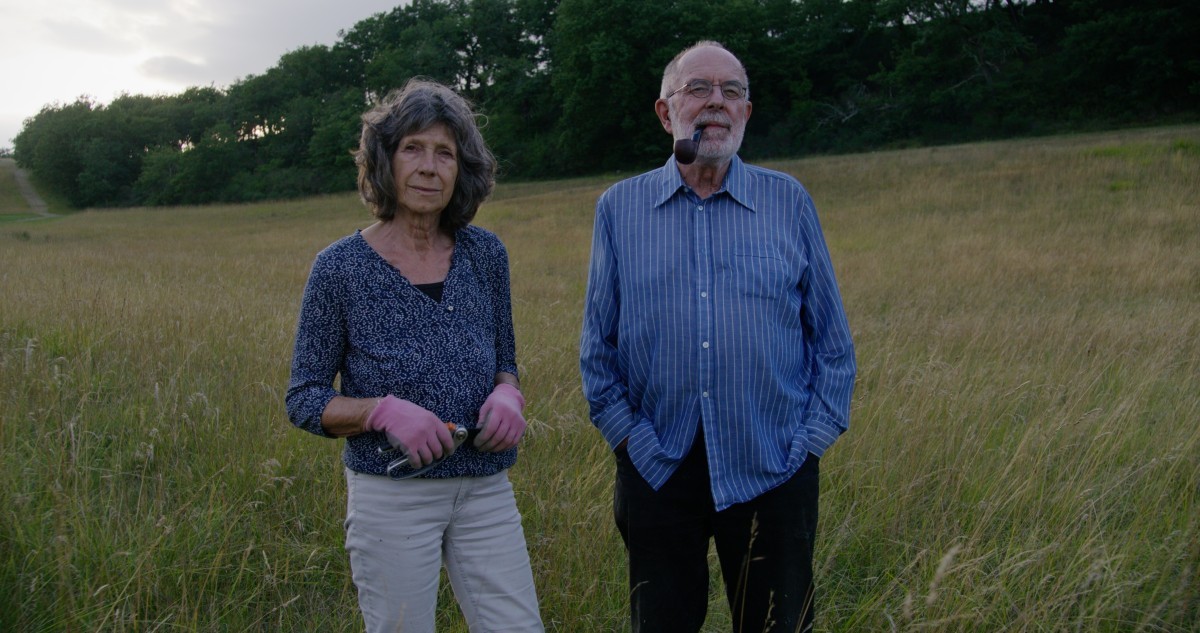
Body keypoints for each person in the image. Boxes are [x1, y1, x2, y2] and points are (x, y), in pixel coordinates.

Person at [579, 41, 856, 633]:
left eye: (732, 92)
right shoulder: (619, 208)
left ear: (746, 113)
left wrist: (809, 444)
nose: (717, 102)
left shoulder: (788, 201)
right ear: (665, 112)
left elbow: (832, 342)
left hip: (774, 464)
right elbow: (598, 350)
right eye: (698, 88)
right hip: (657, 464)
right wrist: (630, 441)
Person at [286, 78, 543, 633]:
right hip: (392, 497)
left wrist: (509, 395)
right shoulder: (338, 268)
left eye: (445, 153)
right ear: (385, 161)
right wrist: (379, 411)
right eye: (413, 149)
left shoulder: (486, 254)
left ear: (462, 169)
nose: (429, 167)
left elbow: (506, 361)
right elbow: (304, 399)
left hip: (485, 488)